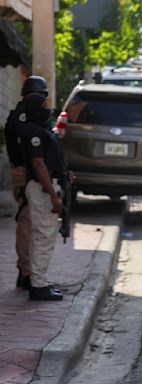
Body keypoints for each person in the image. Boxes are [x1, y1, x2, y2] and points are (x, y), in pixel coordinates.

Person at [18, 93, 67, 301]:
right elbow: (38, 165)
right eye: (44, 105)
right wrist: (52, 196)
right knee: (44, 236)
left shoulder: (40, 130)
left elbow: (48, 161)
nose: (48, 108)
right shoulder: (34, 133)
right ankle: (38, 285)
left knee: (42, 236)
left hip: (44, 187)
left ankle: (39, 281)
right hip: (41, 189)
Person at [3, 76, 49, 289]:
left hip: (28, 170)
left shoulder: (23, 115)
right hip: (24, 171)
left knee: (30, 221)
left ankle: (27, 270)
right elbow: (29, 148)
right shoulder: (22, 118)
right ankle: (26, 272)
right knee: (27, 221)